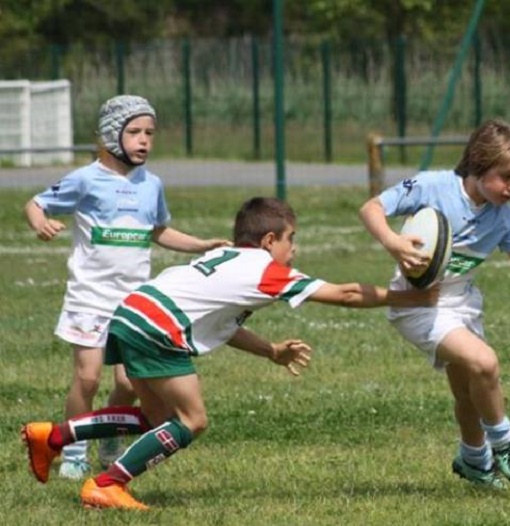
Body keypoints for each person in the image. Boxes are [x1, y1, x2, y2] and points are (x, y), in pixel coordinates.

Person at [21, 196, 438, 510]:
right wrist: (410, 298)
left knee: (155, 420)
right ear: (269, 239)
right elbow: (346, 294)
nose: (294, 250)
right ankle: (108, 485)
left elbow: (222, 326)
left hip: (133, 313)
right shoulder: (264, 270)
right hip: (158, 327)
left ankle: (54, 436)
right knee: (192, 421)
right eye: (291, 240)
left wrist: (272, 350)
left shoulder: (224, 258)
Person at [23, 94, 230, 480]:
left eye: (150, 132)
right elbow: (35, 204)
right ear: (110, 134)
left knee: (130, 383)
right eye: (134, 131)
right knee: (87, 377)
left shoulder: (151, 185)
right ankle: (72, 452)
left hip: (135, 303)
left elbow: (159, 231)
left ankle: (109, 438)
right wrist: (40, 223)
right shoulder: (86, 179)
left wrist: (202, 244)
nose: (144, 140)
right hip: (89, 296)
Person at [359, 119, 510, 489]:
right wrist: (393, 241)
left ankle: (474, 459)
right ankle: (505, 445)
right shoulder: (432, 186)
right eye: (506, 177)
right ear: (478, 163)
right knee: (485, 362)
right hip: (419, 303)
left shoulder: (503, 217)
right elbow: (372, 208)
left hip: (462, 303)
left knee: (468, 389)